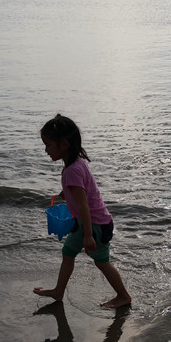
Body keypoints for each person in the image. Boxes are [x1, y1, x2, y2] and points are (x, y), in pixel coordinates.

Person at [34, 114, 132, 309]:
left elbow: (83, 205)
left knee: (101, 262)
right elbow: (83, 191)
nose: (46, 150)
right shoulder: (76, 163)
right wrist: (67, 193)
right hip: (84, 223)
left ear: (64, 144)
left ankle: (123, 296)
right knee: (68, 253)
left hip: (96, 225)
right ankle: (59, 291)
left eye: (48, 145)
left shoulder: (72, 170)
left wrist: (88, 236)